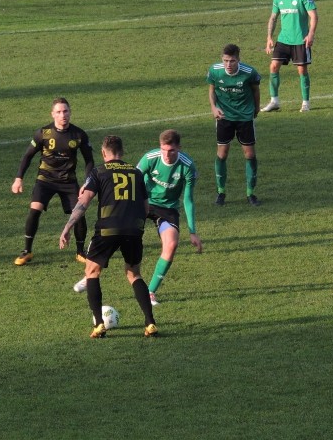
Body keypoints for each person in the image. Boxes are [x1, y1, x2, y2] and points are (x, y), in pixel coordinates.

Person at [59, 135, 158, 338]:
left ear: (104, 153)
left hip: (107, 229)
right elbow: (146, 207)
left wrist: (68, 226)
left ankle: (99, 324)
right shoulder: (136, 173)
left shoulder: (99, 172)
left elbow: (83, 202)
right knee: (134, 274)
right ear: (121, 152)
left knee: (92, 272)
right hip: (133, 230)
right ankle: (150, 323)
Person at [12, 97, 94, 265]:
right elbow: (28, 156)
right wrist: (19, 178)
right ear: (52, 114)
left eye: (65, 111)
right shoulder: (43, 133)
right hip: (45, 179)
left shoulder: (79, 134)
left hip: (68, 181)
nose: (62, 115)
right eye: (58, 112)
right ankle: (27, 251)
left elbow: (89, 161)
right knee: (35, 210)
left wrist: (87, 183)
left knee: (79, 213)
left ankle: (80, 251)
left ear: (70, 113)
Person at [136, 130, 203, 307]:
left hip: (168, 209)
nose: (167, 154)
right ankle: (91, 272)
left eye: (171, 150)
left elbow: (188, 199)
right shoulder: (150, 158)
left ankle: (150, 292)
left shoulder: (187, 166)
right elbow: (133, 179)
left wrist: (193, 232)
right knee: (120, 234)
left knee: (171, 244)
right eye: (164, 150)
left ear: (179, 148)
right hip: (145, 201)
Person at [207, 43, 262, 207]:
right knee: (222, 154)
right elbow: (211, 89)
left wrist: (256, 108)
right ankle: (221, 192)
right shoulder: (215, 71)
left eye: (232, 61)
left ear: (238, 59)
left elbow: (255, 90)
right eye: (225, 61)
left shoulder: (249, 73)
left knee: (250, 155)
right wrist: (213, 107)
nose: (228, 65)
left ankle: (250, 193)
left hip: (244, 116)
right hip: (224, 116)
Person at [262, 0, 318, 113]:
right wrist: (269, 37)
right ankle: (274, 101)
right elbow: (273, 18)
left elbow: (313, 16)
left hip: (300, 40)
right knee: (273, 66)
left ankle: (306, 102)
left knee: (302, 70)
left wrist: (311, 34)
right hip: (283, 40)